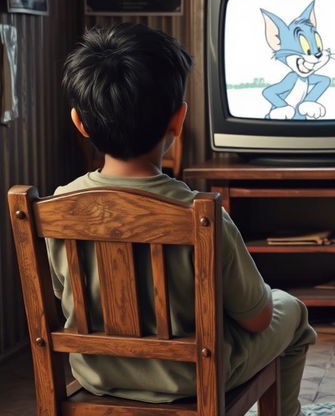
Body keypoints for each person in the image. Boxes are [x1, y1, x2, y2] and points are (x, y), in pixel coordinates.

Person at [50, 23, 316, 414]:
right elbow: (258, 318)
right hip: (192, 376)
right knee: (290, 309)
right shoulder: (202, 215)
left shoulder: (56, 209)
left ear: (80, 123)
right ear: (178, 120)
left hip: (97, 373)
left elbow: (63, 298)